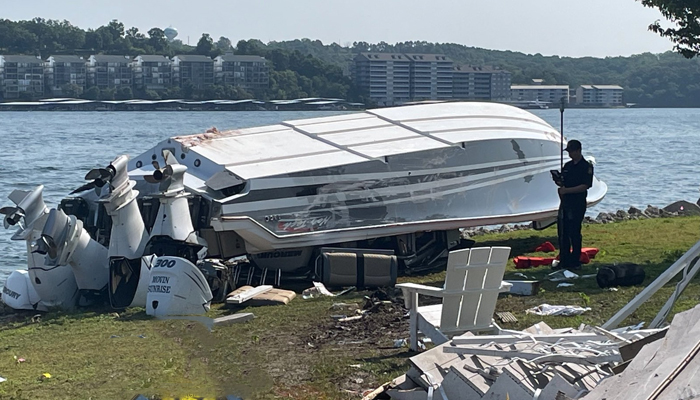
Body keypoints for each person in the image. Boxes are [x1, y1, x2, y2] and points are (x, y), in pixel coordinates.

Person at [553, 139, 594, 270]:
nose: (570, 154)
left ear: (578, 151)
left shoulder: (586, 166)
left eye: (571, 151)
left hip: (577, 202)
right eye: (568, 152)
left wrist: (567, 190)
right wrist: (558, 180)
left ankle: (575, 260)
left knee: (574, 231)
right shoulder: (567, 166)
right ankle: (564, 259)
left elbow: (585, 186)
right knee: (563, 231)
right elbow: (563, 182)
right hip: (565, 202)